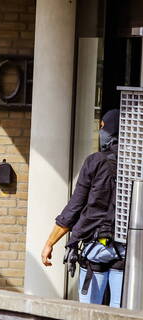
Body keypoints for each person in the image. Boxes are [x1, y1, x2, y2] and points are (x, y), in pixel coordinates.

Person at [42, 109, 124, 307]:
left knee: (89, 312)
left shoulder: (95, 162)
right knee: (123, 312)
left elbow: (75, 207)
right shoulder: (135, 164)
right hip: (125, 248)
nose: (101, 133)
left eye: (103, 128)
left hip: (94, 245)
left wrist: (50, 243)